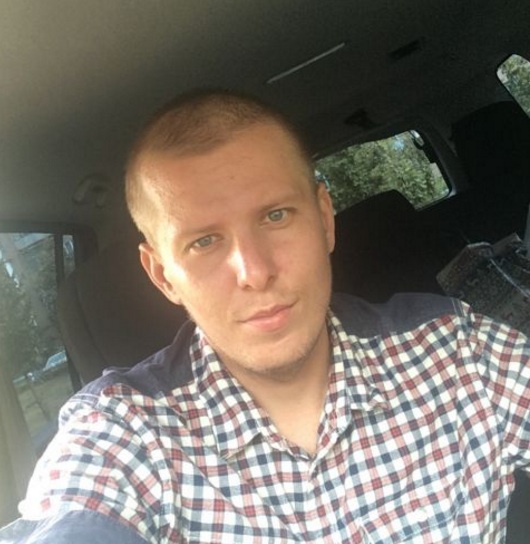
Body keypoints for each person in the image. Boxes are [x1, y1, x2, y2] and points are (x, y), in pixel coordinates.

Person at [1, 89, 530, 544]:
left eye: (276, 215)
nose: (254, 272)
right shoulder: (122, 433)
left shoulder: (457, 352)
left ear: (325, 220)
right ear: (163, 276)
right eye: (204, 242)